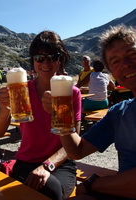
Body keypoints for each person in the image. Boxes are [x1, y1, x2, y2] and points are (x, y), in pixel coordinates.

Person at [45, 24, 136, 200]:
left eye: (132, 54)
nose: (125, 64)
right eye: (115, 61)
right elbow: (76, 151)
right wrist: (62, 117)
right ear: (112, 73)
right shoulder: (119, 112)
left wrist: (92, 184)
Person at [0, 31, 82, 200]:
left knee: (51, 191)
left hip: (60, 163)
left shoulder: (71, 92)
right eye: (39, 57)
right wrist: (4, 108)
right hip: (26, 161)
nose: (45, 62)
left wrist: (47, 166)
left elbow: (74, 142)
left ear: (60, 59)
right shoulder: (20, 90)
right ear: (33, 61)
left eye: (52, 57)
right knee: (47, 190)